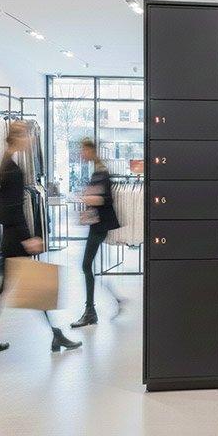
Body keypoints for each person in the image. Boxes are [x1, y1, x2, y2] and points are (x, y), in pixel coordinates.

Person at [0, 121, 82, 354]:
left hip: (11, 236)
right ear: (18, 137)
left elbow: (6, 208)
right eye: (27, 136)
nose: (31, 140)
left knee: (12, 287)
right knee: (37, 285)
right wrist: (28, 238)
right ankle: (56, 335)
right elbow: (12, 208)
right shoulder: (13, 169)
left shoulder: (7, 163)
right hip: (16, 237)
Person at [71, 139, 120, 328]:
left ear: (91, 150)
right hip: (97, 225)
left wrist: (87, 198)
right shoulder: (98, 171)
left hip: (100, 226)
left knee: (86, 265)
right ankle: (99, 306)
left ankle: (90, 312)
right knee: (87, 266)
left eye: (83, 150)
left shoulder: (102, 172)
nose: (81, 154)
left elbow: (106, 199)